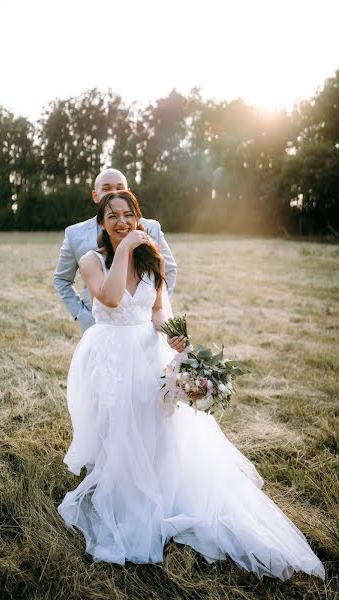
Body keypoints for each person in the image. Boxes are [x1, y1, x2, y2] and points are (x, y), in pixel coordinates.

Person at [57, 190, 325, 580]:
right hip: (110, 355)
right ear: (101, 224)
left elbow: (158, 311)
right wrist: (129, 246)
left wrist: (175, 340)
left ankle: (159, 489)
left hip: (148, 353)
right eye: (111, 216)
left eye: (128, 215)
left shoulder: (153, 262)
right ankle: (123, 482)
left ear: (138, 216)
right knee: (118, 425)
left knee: (158, 426)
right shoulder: (92, 260)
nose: (121, 221)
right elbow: (112, 298)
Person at [53, 168, 183, 352]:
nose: (113, 193)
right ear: (95, 195)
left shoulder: (151, 231)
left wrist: (146, 308)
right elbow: (62, 279)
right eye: (106, 188)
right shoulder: (77, 238)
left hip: (146, 336)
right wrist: (81, 314)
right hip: (101, 328)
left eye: (119, 188)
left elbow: (163, 287)